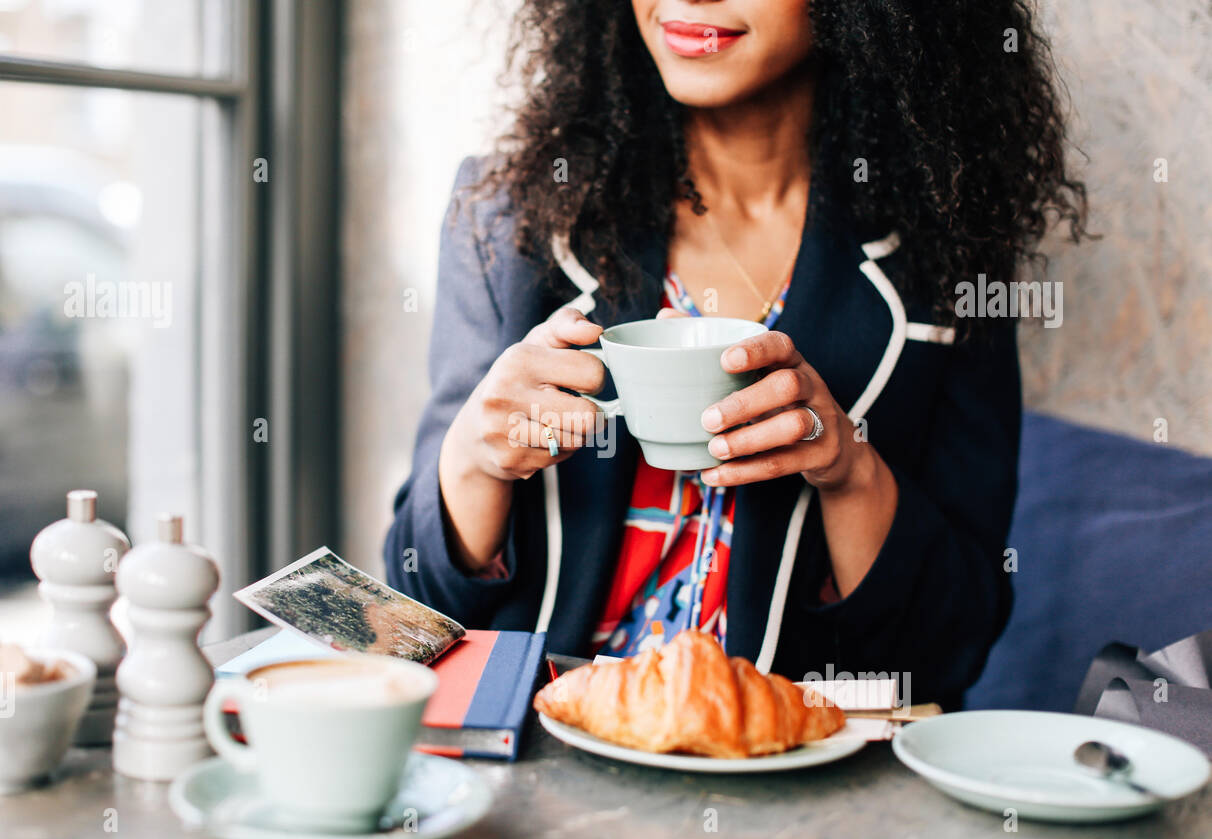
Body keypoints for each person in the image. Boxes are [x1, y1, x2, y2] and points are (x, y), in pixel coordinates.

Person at [385, 0, 1088, 709]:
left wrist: (849, 473)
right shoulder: (507, 217)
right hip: (543, 762)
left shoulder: (952, 247)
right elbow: (414, 613)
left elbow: (952, 647)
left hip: (800, 786)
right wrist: (473, 462)